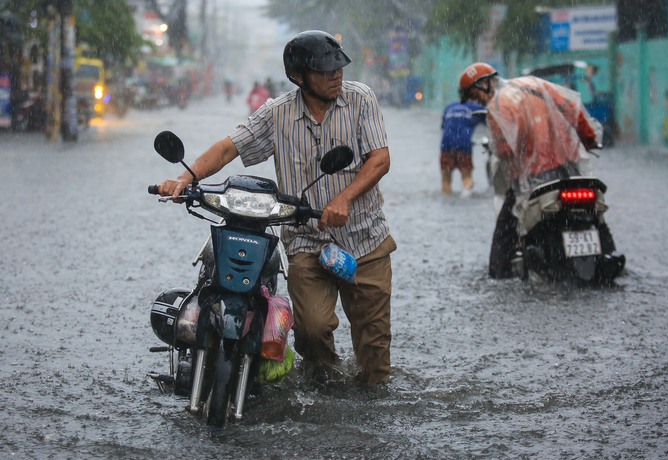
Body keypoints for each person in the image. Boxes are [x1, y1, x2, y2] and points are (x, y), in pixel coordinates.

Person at [156, 30, 396, 384]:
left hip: (366, 240)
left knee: (375, 355)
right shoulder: (277, 113)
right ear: (299, 77)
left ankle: (371, 400)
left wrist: (344, 198)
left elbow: (380, 159)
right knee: (311, 334)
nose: (336, 76)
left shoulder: (361, 100)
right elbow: (229, 148)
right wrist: (185, 179)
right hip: (306, 243)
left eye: (338, 68)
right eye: (325, 70)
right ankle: (327, 392)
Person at [461, 62, 613, 278]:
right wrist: (588, 139)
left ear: (484, 85)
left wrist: (503, 154)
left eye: (475, 96)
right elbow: (571, 108)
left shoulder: (497, 106)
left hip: (533, 177)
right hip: (568, 167)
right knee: (593, 211)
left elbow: (505, 150)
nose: (477, 101)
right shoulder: (534, 84)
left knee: (505, 232)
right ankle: (607, 253)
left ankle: (502, 272)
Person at [439, 63, 491, 197]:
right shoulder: (476, 108)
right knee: (467, 177)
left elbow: (444, 127)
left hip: (446, 144)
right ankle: (465, 196)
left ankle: (447, 197)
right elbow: (491, 124)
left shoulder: (449, 107)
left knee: (446, 181)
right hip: (464, 145)